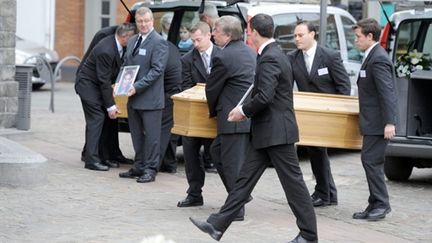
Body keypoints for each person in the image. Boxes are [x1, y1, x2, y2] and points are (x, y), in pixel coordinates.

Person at [189, 14, 318, 243]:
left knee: (294, 185)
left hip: (277, 133)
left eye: (249, 31)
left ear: (254, 32)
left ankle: (309, 235)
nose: (248, 34)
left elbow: (265, 96)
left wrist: (243, 111)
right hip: (267, 132)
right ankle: (217, 225)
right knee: (243, 181)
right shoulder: (273, 54)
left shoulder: (270, 57)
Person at [288, 20, 351, 207]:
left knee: (318, 152)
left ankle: (325, 193)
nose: (296, 39)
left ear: (312, 34)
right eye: (295, 35)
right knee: (316, 152)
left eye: (300, 35)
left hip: (328, 113)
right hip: (309, 114)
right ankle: (327, 193)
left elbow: (344, 86)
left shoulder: (330, 56)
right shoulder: (293, 58)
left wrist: (337, 113)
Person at [204, 15, 256, 221]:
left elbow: (212, 88)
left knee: (232, 164)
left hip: (232, 117)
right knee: (216, 152)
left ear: (227, 35)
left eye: (216, 30)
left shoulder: (223, 57)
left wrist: (211, 111)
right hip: (245, 115)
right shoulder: (249, 52)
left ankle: (237, 208)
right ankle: (242, 195)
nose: (213, 34)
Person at [352, 18, 397, 221]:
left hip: (379, 123)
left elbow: (386, 92)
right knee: (369, 161)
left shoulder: (378, 58)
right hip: (372, 122)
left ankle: (381, 204)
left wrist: (390, 122)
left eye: (358, 36)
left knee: (371, 161)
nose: (355, 41)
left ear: (370, 36)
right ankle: (374, 203)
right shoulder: (372, 56)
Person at [118, 7, 169, 183]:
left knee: (153, 137)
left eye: (146, 21)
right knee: (136, 135)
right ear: (136, 22)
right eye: (140, 21)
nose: (144, 24)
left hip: (150, 99)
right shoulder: (132, 41)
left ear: (152, 21)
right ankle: (138, 166)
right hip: (133, 98)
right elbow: (126, 65)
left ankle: (150, 169)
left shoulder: (159, 42)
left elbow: (157, 71)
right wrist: (120, 83)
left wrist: (136, 87)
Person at [75, 23, 136, 171]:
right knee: (97, 118)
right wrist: (111, 106)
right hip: (87, 85)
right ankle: (91, 159)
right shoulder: (106, 50)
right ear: (125, 37)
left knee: (105, 119)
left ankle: (105, 156)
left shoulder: (118, 45)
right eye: (133, 38)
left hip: (97, 85)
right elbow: (104, 81)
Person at [177, 21, 221, 208]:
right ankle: (194, 193)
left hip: (218, 113)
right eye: (193, 41)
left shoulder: (223, 55)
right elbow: (186, 86)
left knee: (220, 155)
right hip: (194, 115)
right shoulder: (187, 59)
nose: (195, 44)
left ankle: (237, 194)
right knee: (190, 154)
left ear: (209, 35)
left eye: (198, 40)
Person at [158, 41, 182, 174]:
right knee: (170, 130)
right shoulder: (170, 47)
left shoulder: (160, 47)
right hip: (174, 91)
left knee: (163, 129)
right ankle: (169, 163)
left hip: (168, 93)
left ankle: (155, 164)